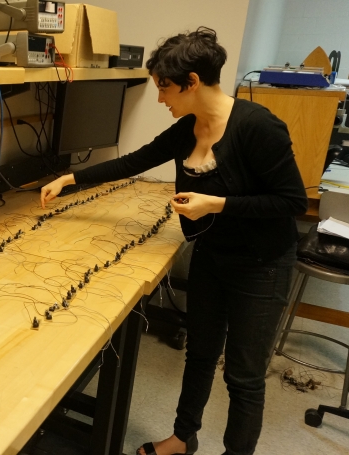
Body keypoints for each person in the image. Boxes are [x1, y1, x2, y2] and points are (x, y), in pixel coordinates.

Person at [40, 27, 308, 455]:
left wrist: (216, 204)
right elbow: (136, 160)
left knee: (243, 376)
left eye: (165, 89)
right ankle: (183, 440)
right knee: (199, 356)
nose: (161, 99)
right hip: (212, 257)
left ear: (193, 82)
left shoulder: (258, 127)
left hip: (262, 265)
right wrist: (70, 179)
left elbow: (292, 202)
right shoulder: (189, 127)